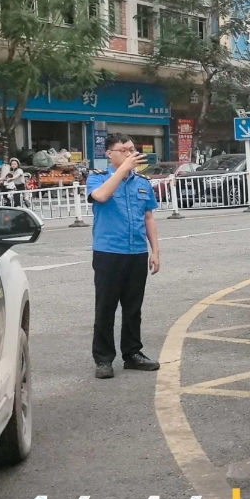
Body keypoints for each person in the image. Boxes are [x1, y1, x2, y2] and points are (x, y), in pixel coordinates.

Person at [87, 134, 161, 379]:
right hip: (109, 252)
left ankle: (132, 353)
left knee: (133, 308)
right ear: (110, 153)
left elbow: (148, 218)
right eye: (124, 150)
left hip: (136, 252)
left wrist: (155, 251)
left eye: (132, 149)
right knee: (105, 307)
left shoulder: (142, 182)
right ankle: (103, 359)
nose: (130, 154)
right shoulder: (98, 177)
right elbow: (100, 196)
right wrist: (122, 170)